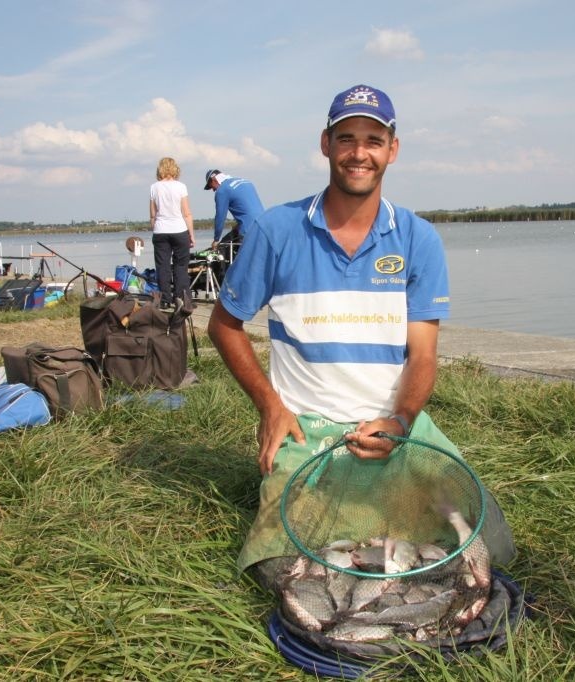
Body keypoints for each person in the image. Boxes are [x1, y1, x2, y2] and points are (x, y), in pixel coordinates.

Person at [207, 84, 515, 586]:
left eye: (373, 140)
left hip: (390, 425)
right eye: (346, 138)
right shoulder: (275, 230)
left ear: (392, 150)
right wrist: (271, 406)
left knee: (482, 538)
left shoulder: (418, 238)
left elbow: (422, 356)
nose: (359, 153)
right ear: (325, 144)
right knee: (283, 568)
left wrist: (400, 420)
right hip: (307, 429)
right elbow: (224, 325)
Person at [149, 157, 196, 310]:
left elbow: (153, 215)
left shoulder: (154, 187)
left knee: (162, 266)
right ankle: (182, 298)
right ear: (175, 169)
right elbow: (187, 213)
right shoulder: (181, 186)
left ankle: (165, 299)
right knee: (181, 265)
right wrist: (191, 234)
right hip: (179, 229)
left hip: (161, 230)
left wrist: (154, 229)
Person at [203, 169, 265, 257]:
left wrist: (216, 239)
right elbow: (249, 210)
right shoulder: (246, 182)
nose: (213, 190)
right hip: (264, 225)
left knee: (236, 259)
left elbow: (220, 217)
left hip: (247, 230)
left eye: (211, 186)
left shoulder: (222, 191)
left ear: (214, 180)